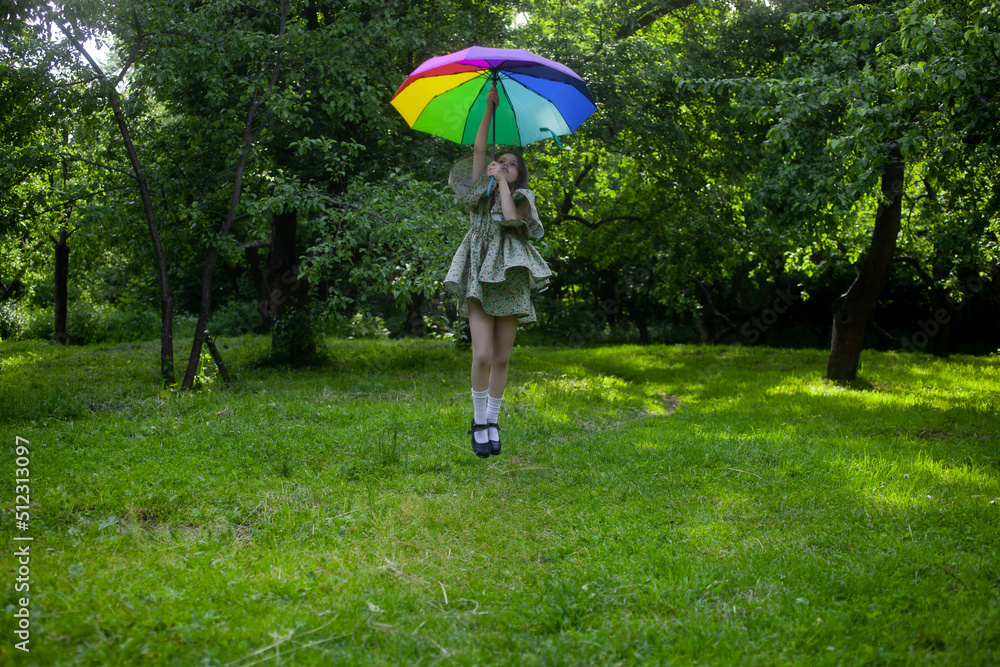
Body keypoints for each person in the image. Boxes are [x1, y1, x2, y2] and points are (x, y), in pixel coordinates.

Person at [444, 85, 552, 459]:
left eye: (512, 164)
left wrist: (504, 184)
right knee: (482, 355)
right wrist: (489, 109)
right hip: (479, 272)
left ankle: (492, 421)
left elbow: (509, 219)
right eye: (500, 160)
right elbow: (478, 150)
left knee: (502, 358)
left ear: (519, 175)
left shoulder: (522, 198)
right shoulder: (478, 191)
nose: (504, 164)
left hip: (509, 276)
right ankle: (478, 422)